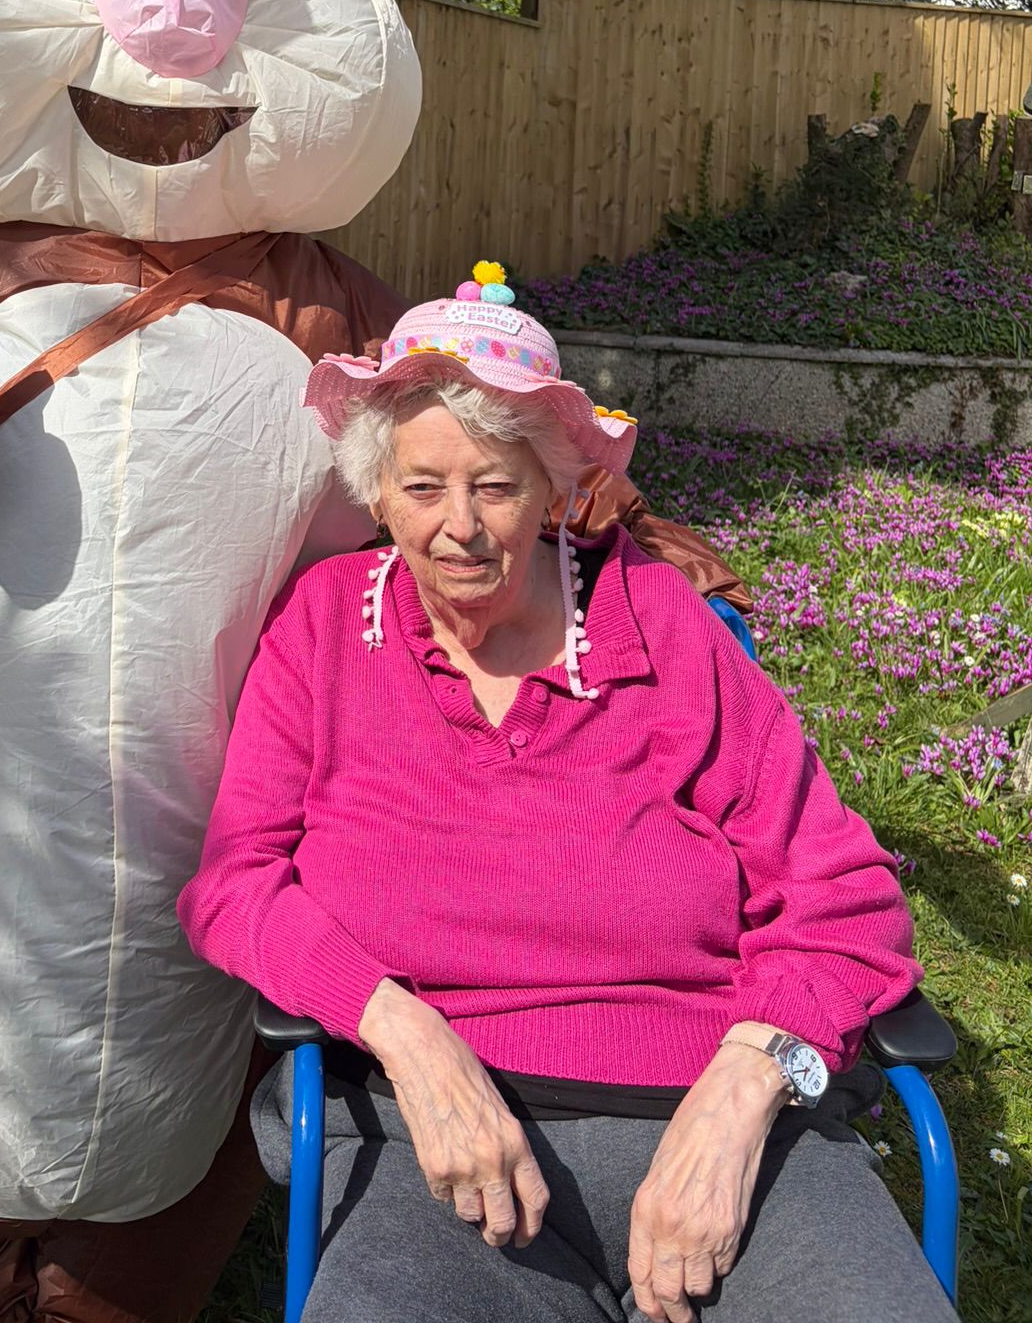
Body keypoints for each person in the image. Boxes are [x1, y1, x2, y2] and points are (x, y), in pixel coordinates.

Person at [178, 277, 953, 1323]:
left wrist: (742, 1092)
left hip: (721, 1131)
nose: (459, 527)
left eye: (496, 485)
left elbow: (844, 896)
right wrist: (401, 1029)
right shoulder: (324, 628)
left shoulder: (663, 622)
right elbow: (236, 883)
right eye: (421, 487)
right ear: (375, 489)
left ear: (553, 486)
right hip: (437, 1144)